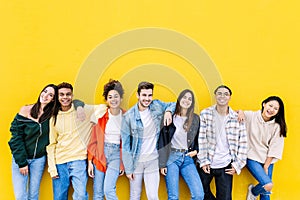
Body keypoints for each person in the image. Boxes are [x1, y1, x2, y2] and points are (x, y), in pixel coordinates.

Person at [46, 82, 105, 200]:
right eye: (61, 94)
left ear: (72, 96)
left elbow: (103, 108)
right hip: (60, 162)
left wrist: (83, 110)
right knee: (59, 197)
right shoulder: (54, 117)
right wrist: (52, 168)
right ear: (58, 97)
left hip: (78, 160)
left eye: (68, 94)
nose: (65, 97)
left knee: (81, 196)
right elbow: (52, 144)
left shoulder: (83, 110)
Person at [121, 81, 175, 200]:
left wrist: (168, 112)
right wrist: (128, 169)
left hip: (153, 160)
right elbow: (125, 146)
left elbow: (174, 104)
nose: (147, 99)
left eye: (150, 95)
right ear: (138, 95)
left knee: (153, 196)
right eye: (144, 95)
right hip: (136, 162)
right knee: (135, 196)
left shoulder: (156, 105)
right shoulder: (128, 117)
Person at [197, 85, 247, 200]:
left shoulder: (237, 117)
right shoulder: (206, 114)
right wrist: (203, 161)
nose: (222, 96)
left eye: (226, 94)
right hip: (207, 163)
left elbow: (243, 143)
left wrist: (237, 165)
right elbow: (202, 138)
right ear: (215, 96)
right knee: (200, 193)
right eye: (219, 93)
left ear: (230, 97)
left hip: (226, 165)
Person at [8, 84, 58, 200]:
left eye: (50, 95)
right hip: (21, 159)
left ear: (53, 99)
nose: (45, 96)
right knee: (21, 196)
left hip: (39, 160)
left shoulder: (52, 116)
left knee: (33, 195)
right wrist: (22, 162)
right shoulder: (25, 110)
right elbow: (16, 137)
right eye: (45, 91)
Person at [158, 89, 204, 200]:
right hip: (171, 158)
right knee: (173, 197)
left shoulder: (195, 119)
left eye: (190, 99)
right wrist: (162, 163)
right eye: (184, 97)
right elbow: (163, 140)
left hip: (187, 158)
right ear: (179, 99)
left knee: (198, 195)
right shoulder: (170, 117)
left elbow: (199, 138)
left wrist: (196, 151)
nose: (186, 101)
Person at [238, 96, 287, 200]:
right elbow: (231, 113)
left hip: (267, 159)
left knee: (266, 193)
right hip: (251, 156)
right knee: (268, 185)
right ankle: (253, 191)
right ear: (264, 104)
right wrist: (240, 111)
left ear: (278, 112)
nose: (271, 109)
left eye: (275, 108)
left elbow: (275, 148)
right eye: (270, 105)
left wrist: (266, 166)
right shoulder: (251, 116)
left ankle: (253, 192)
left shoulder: (277, 126)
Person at [87, 79, 125, 200]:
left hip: (116, 156)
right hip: (100, 154)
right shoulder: (101, 116)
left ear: (121, 98)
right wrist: (89, 162)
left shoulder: (126, 116)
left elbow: (128, 143)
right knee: (97, 193)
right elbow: (93, 140)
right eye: (110, 97)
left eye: (116, 96)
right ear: (106, 100)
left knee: (108, 190)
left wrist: (123, 164)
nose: (113, 99)